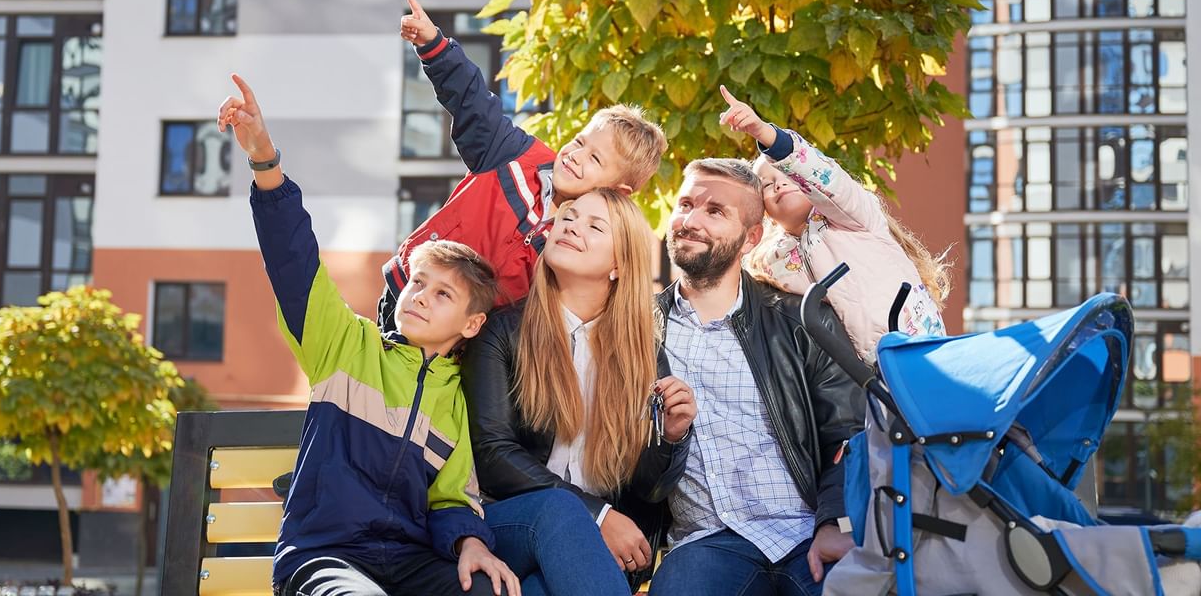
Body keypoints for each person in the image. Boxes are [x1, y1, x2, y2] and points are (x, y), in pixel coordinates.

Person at [219, 74, 519, 596]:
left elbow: (450, 499)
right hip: (326, 558)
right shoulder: (347, 347)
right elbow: (294, 262)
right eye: (419, 283)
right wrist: (265, 161)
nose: (421, 296)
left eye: (443, 294)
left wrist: (471, 542)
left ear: (472, 324)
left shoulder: (454, 401)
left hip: (408, 563)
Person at [383, 0, 668, 331]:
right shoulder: (517, 155)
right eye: (579, 142)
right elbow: (473, 103)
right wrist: (435, 47)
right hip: (409, 293)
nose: (576, 157)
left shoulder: (579, 243)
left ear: (618, 191)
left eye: (594, 159)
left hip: (466, 340)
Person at [462, 188, 698, 595]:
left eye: (594, 226)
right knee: (559, 513)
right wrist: (598, 515)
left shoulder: (642, 353)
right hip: (506, 519)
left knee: (537, 589)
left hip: (602, 545)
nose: (570, 227)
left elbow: (648, 488)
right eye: (569, 217)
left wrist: (670, 437)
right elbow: (493, 454)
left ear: (618, 265)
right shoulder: (503, 333)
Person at [648, 157, 865, 596]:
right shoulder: (639, 332)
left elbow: (849, 434)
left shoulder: (801, 320)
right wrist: (667, 439)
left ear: (751, 238)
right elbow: (628, 471)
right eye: (685, 204)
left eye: (715, 211)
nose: (690, 220)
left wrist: (836, 523)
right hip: (706, 542)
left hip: (805, 531)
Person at [718, 86, 950, 361]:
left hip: (919, 347)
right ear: (764, 210)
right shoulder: (773, 261)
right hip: (867, 378)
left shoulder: (854, 216)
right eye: (766, 185)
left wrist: (764, 134)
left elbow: (828, 180)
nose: (779, 182)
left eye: (786, 175)